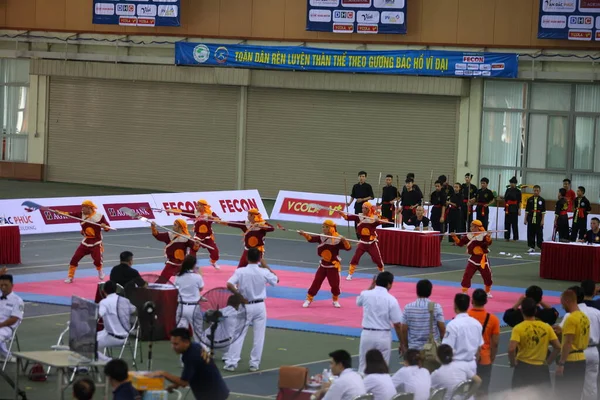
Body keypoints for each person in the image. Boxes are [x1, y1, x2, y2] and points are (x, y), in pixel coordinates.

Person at [225, 248, 278, 372]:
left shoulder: (240, 271)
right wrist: (266, 266)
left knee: (238, 334)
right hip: (260, 306)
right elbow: (276, 280)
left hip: (245, 304)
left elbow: (229, 284)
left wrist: (238, 295)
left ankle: (231, 362)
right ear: (259, 259)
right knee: (259, 336)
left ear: (246, 258)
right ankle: (254, 363)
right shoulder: (263, 271)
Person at [151, 328, 229, 400]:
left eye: (176, 344)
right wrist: (174, 385)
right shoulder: (195, 346)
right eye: (172, 343)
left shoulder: (191, 356)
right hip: (217, 390)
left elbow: (184, 382)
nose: (173, 347)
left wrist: (163, 374)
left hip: (211, 395)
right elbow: (189, 374)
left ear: (186, 342)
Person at [508, 297, 561, 391]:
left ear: (522, 311)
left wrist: (513, 362)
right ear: (535, 311)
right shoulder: (546, 327)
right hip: (541, 368)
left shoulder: (518, 328)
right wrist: (548, 362)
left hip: (523, 367)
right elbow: (557, 347)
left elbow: (512, 349)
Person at [356, 271, 403, 373]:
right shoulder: (391, 299)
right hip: (383, 335)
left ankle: (361, 387)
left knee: (363, 365)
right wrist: (402, 343)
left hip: (367, 334)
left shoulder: (365, 294)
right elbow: (397, 324)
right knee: (382, 367)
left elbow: (358, 302)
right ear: (389, 284)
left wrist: (371, 287)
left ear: (375, 281)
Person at [559, 286, 600, 400]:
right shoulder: (596, 312)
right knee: (591, 385)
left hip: (577, 352)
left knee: (573, 386)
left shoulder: (570, 316)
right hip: (594, 351)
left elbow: (565, 336)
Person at [300, 220, 351, 308]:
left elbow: (348, 248)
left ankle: (335, 300)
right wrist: (304, 234)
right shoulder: (322, 237)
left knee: (335, 285)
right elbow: (311, 239)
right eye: (323, 227)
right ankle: (309, 299)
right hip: (323, 265)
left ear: (331, 228)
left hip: (333, 266)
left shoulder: (338, 239)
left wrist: (345, 241)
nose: (323, 229)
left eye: (325, 227)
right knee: (316, 282)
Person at [62, 200, 111, 283]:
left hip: (96, 242)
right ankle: (70, 277)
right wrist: (60, 213)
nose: (82, 209)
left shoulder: (99, 216)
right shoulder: (80, 214)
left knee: (97, 261)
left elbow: (107, 229)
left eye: (84, 207)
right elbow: (69, 214)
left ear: (89, 208)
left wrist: (104, 226)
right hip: (86, 241)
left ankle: (100, 271)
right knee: (74, 259)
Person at [553, 289, 590, 399]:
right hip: (582, 359)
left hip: (570, 360)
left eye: (562, 303)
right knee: (576, 393)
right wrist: (562, 332)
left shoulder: (571, 319)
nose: (562, 306)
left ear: (567, 301)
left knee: (563, 394)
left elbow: (568, 343)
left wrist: (561, 363)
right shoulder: (584, 317)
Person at [341, 202, 386, 281]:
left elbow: (386, 220)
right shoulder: (359, 217)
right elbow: (347, 217)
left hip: (371, 243)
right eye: (362, 208)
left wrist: (378, 220)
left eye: (364, 208)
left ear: (368, 209)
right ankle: (350, 274)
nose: (362, 209)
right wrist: (341, 213)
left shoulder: (373, 218)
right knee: (355, 258)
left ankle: (382, 272)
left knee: (377, 259)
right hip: (362, 243)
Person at [467, 289, 499, 399]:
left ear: (472, 301)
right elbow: (495, 342)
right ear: (486, 301)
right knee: (483, 390)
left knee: (467, 391)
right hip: (485, 359)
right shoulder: (493, 319)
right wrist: (492, 357)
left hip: (468, 359)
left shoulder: (465, 317)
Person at [442, 294, 483, 376]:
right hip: (472, 364)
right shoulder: (477, 324)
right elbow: (479, 348)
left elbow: (446, 348)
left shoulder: (452, 325)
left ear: (455, 305)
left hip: (457, 366)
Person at [400, 280, 446, 354]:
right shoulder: (436, 307)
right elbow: (442, 329)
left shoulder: (408, 307)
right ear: (430, 291)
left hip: (414, 348)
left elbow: (403, 329)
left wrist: (405, 345)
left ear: (417, 291)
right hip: (432, 349)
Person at [451, 220, 493, 297]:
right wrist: (454, 237)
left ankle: (487, 291)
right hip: (473, 259)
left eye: (471, 226)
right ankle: (464, 291)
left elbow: (488, 243)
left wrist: (488, 236)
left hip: (482, 259)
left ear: (476, 227)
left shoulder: (484, 235)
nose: (470, 227)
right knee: (467, 275)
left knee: (487, 276)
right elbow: (460, 243)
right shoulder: (469, 235)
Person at [151, 219, 199, 283]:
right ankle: (153, 292)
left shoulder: (186, 238)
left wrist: (196, 244)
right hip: (171, 263)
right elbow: (158, 236)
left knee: (188, 281)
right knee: (162, 280)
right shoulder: (169, 235)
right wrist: (153, 227)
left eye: (175, 225)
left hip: (182, 264)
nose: (173, 226)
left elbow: (194, 249)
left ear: (180, 227)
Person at [97, 280, 136, 355]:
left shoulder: (104, 302)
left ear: (103, 291)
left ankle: (104, 361)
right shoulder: (125, 300)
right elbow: (134, 310)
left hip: (112, 337)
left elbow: (97, 315)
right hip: (125, 336)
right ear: (116, 290)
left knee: (86, 343)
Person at [174, 255, 204, 339]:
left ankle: (182, 351)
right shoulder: (197, 277)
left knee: (180, 334)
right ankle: (203, 350)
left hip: (181, 307)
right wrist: (200, 274)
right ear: (194, 265)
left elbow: (176, 290)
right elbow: (201, 288)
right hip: (193, 307)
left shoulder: (178, 276)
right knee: (198, 334)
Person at [185, 199, 221, 269]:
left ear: (203, 206)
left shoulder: (211, 213)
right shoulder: (194, 212)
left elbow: (218, 220)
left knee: (215, 252)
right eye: (196, 205)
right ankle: (191, 265)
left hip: (208, 236)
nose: (196, 206)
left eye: (198, 205)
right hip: (198, 236)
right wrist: (171, 210)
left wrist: (213, 218)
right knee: (193, 250)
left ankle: (213, 262)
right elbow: (183, 212)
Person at [0, 274, 24, 359]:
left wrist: (1, 325)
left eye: (5, 285)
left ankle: (7, 356)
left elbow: (14, 319)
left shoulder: (17, 300)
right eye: (1, 285)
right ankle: (7, 356)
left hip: (6, 327)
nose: (3, 287)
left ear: (12, 285)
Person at [347, 171, 374, 239]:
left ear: (365, 178)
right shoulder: (355, 186)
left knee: (364, 222)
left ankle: (365, 237)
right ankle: (358, 238)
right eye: (360, 176)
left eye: (363, 176)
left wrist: (362, 199)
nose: (361, 178)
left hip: (366, 207)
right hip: (357, 206)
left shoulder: (368, 186)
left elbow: (372, 196)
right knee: (357, 222)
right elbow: (353, 196)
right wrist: (349, 203)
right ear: (358, 177)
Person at [524, 185, 546, 252]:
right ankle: (532, 247)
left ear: (539, 191)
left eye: (537, 191)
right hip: (531, 218)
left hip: (538, 219)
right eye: (535, 190)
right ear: (533, 191)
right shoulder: (529, 199)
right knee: (530, 233)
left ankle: (540, 246)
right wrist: (525, 219)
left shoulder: (542, 200)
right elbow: (527, 210)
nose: (536, 192)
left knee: (539, 233)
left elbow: (543, 212)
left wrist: (542, 220)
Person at [503, 176, 522, 241]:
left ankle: (515, 237)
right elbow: (505, 199)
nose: (512, 184)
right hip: (508, 208)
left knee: (514, 223)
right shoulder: (507, 190)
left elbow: (519, 201)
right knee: (507, 223)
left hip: (514, 208)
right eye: (511, 183)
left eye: (513, 183)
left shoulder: (518, 191)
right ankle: (507, 237)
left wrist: (519, 209)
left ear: (515, 184)